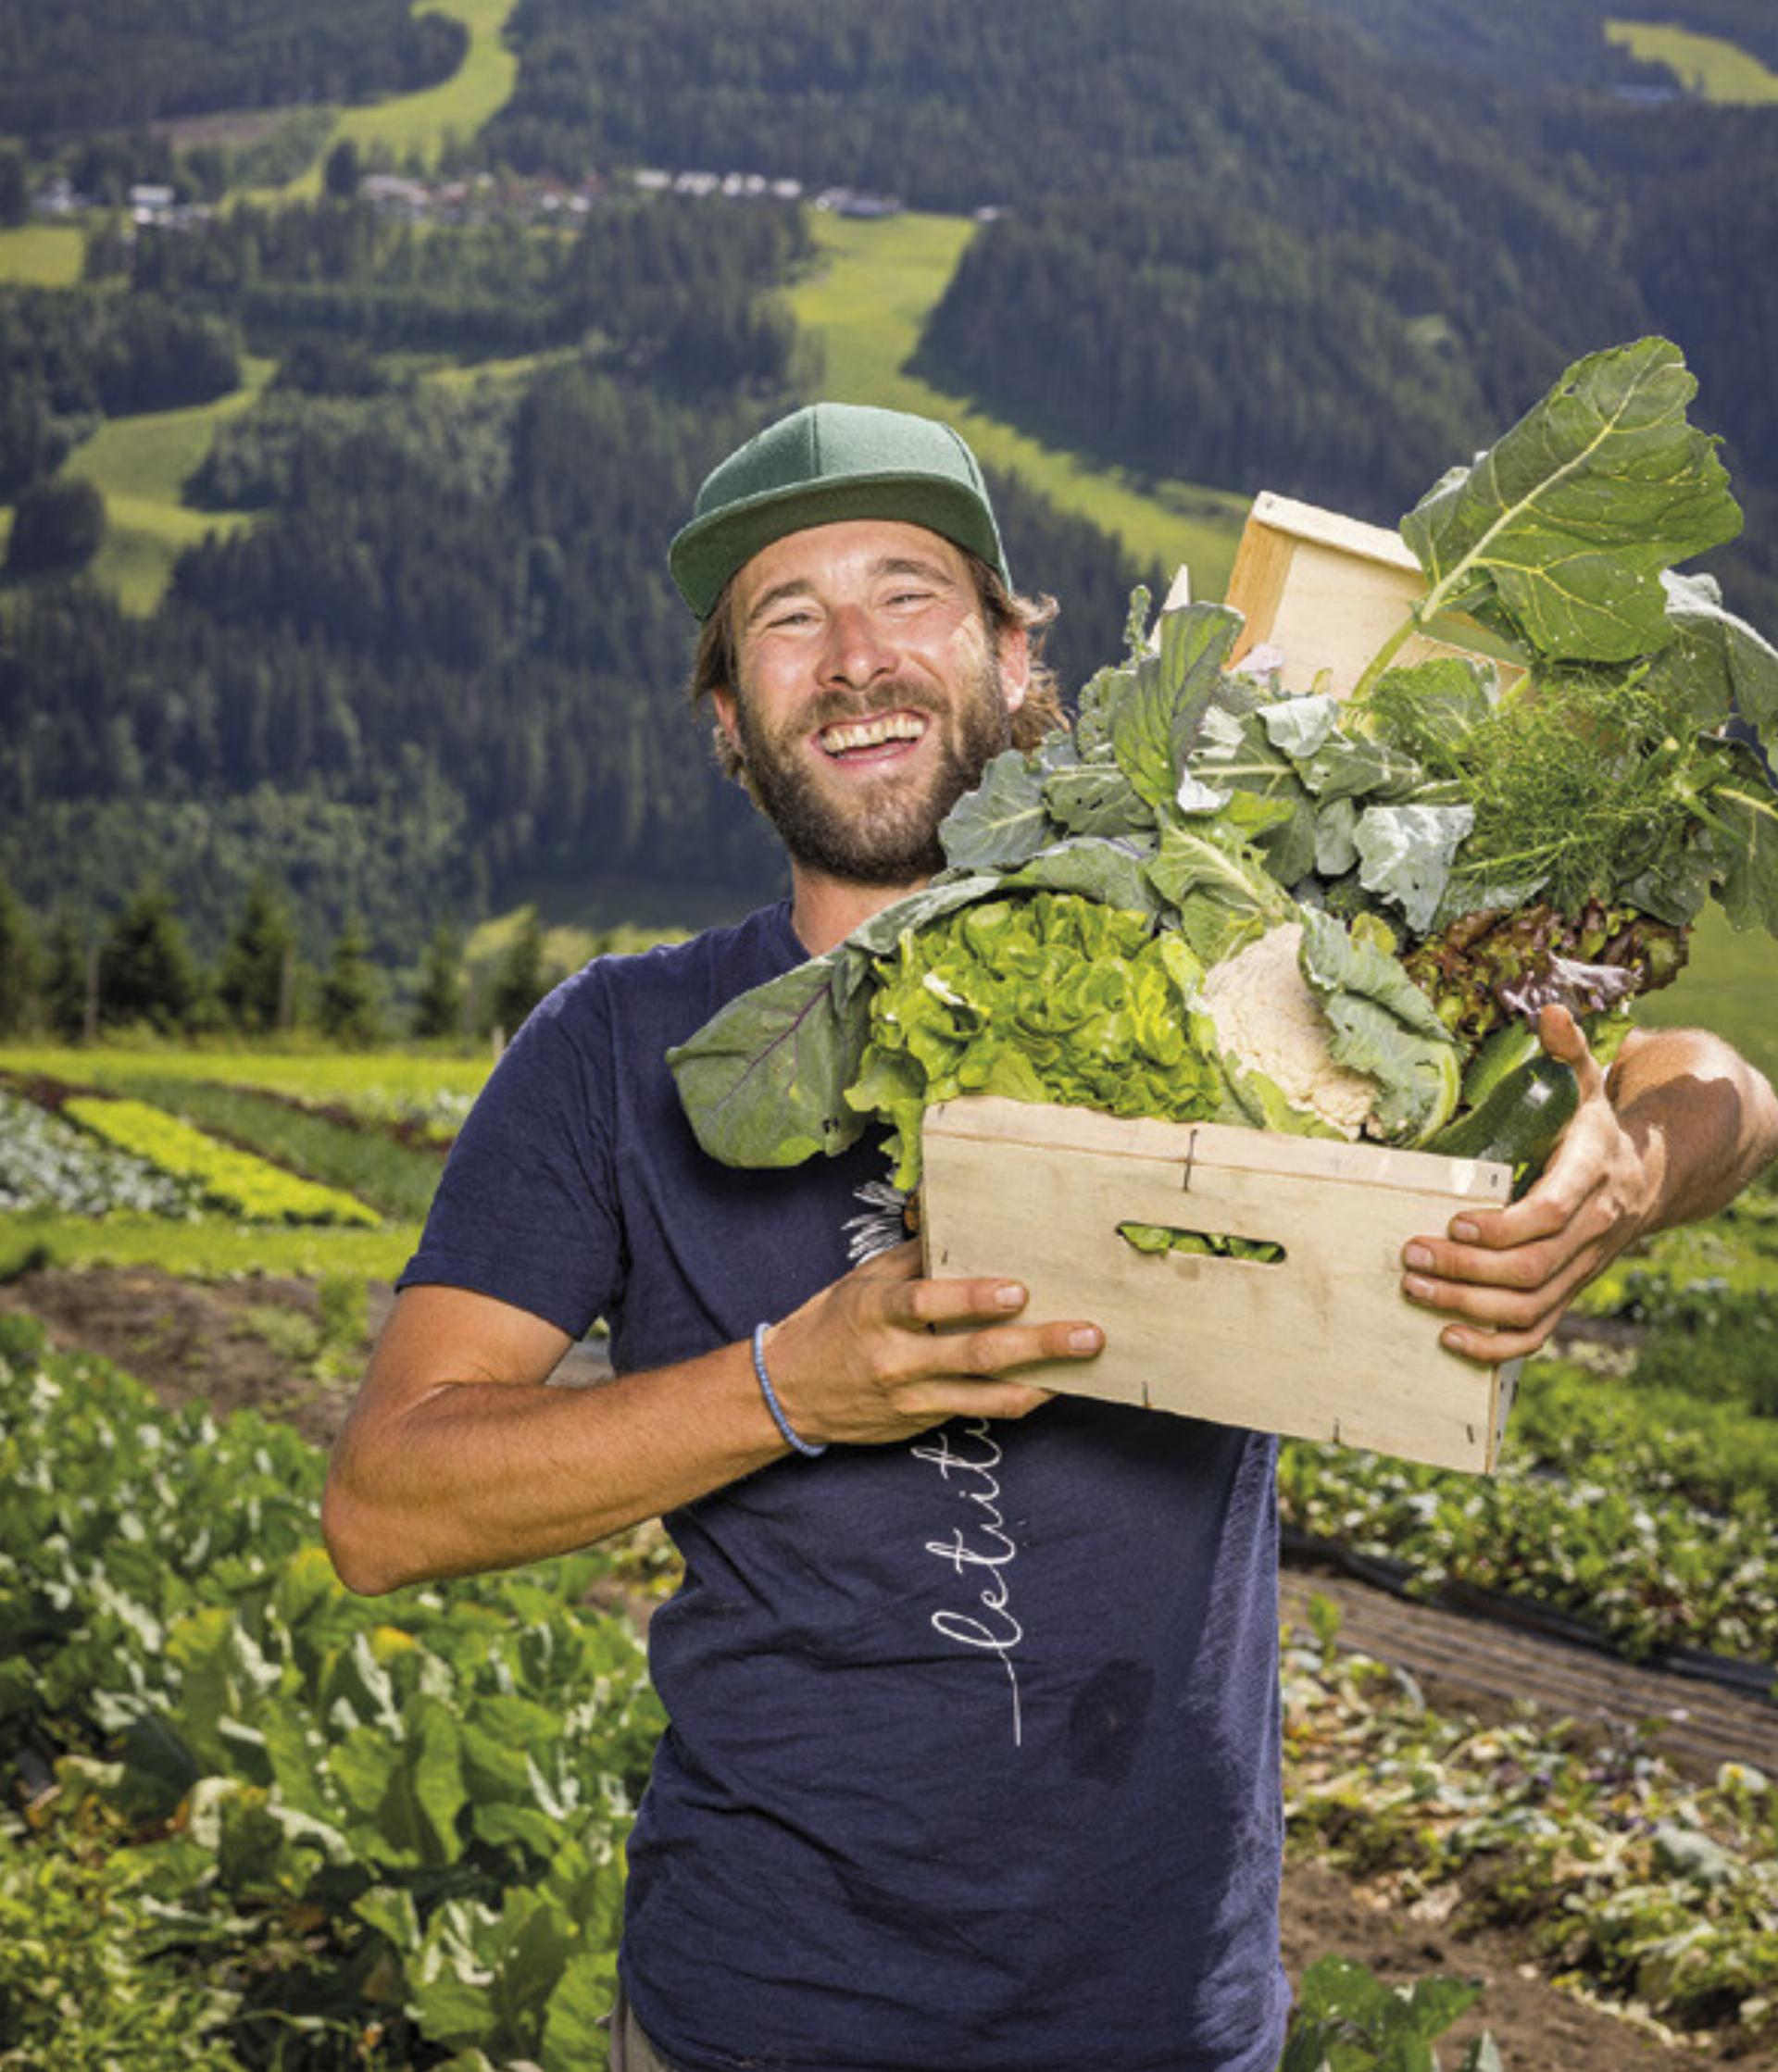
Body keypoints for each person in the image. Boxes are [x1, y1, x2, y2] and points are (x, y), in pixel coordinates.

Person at [322, 402, 1778, 2072]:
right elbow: (383, 1502)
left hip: (1168, 2023)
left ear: (1021, 654)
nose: (855, 657)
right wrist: (791, 1385)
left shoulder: (1239, 947)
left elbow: (1708, 1081)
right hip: (760, 2019)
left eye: (909, 594)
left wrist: (1629, 1170)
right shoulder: (611, 1050)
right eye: (787, 621)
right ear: (728, 717)